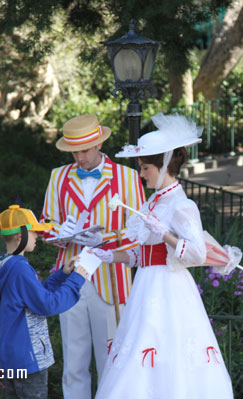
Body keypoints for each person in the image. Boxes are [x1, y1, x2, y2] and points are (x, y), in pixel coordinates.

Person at [92, 113, 235, 399]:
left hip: (170, 288)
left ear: (164, 165)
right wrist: (109, 256)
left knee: (167, 354)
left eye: (145, 168)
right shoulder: (152, 202)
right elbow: (141, 255)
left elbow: (195, 252)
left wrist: (166, 235)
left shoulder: (182, 205)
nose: (141, 174)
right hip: (146, 285)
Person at [40, 114, 145, 399]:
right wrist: (62, 234)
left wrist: (106, 239)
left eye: (85, 150)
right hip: (71, 278)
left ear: (99, 144)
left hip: (111, 279)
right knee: (73, 364)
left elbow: (140, 232)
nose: (79, 156)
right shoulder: (58, 177)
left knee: (112, 361)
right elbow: (45, 224)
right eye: (74, 151)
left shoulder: (128, 177)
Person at [0, 205, 88, 399]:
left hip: (11, 357)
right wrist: (76, 280)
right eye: (34, 232)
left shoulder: (3, 263)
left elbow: (32, 296)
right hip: (29, 358)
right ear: (21, 235)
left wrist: (61, 275)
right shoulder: (20, 268)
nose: (37, 236)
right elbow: (47, 304)